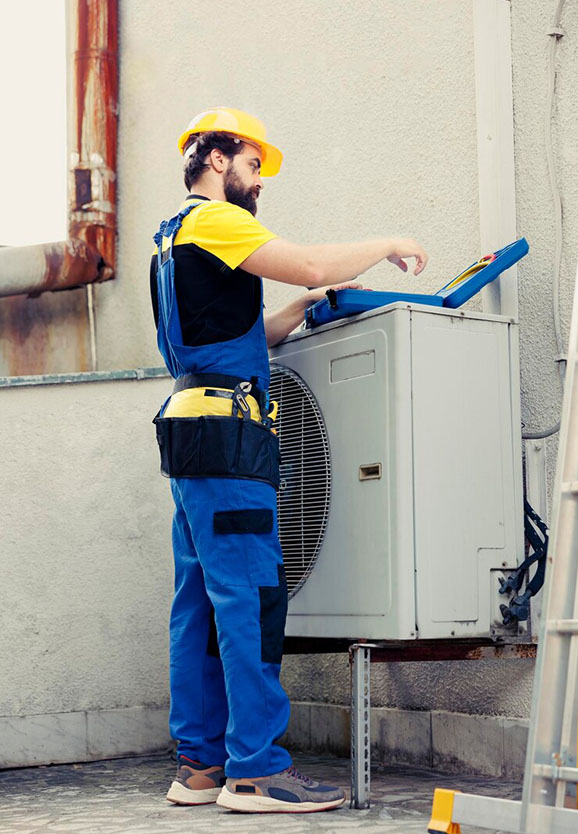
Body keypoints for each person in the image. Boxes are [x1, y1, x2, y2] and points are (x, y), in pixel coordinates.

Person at [150, 106, 428, 814]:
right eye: (252, 163)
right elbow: (305, 259)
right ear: (216, 159)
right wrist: (387, 241)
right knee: (251, 600)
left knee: (200, 610)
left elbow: (226, 334)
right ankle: (257, 772)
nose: (259, 182)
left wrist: (293, 311)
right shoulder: (216, 220)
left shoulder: (171, 234)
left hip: (192, 426)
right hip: (229, 436)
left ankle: (201, 767)